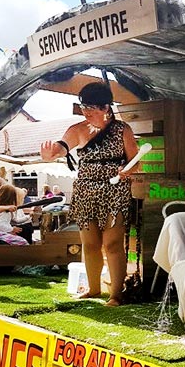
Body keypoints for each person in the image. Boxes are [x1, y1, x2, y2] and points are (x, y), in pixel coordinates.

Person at [40, 82, 139, 306]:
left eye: (92, 108)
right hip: (85, 189)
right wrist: (50, 154)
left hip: (115, 189)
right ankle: (94, 289)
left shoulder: (122, 129)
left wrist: (127, 170)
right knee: (90, 243)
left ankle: (116, 294)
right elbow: (61, 147)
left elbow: (136, 161)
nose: (87, 112)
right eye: (84, 107)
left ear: (106, 108)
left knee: (113, 244)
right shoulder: (77, 129)